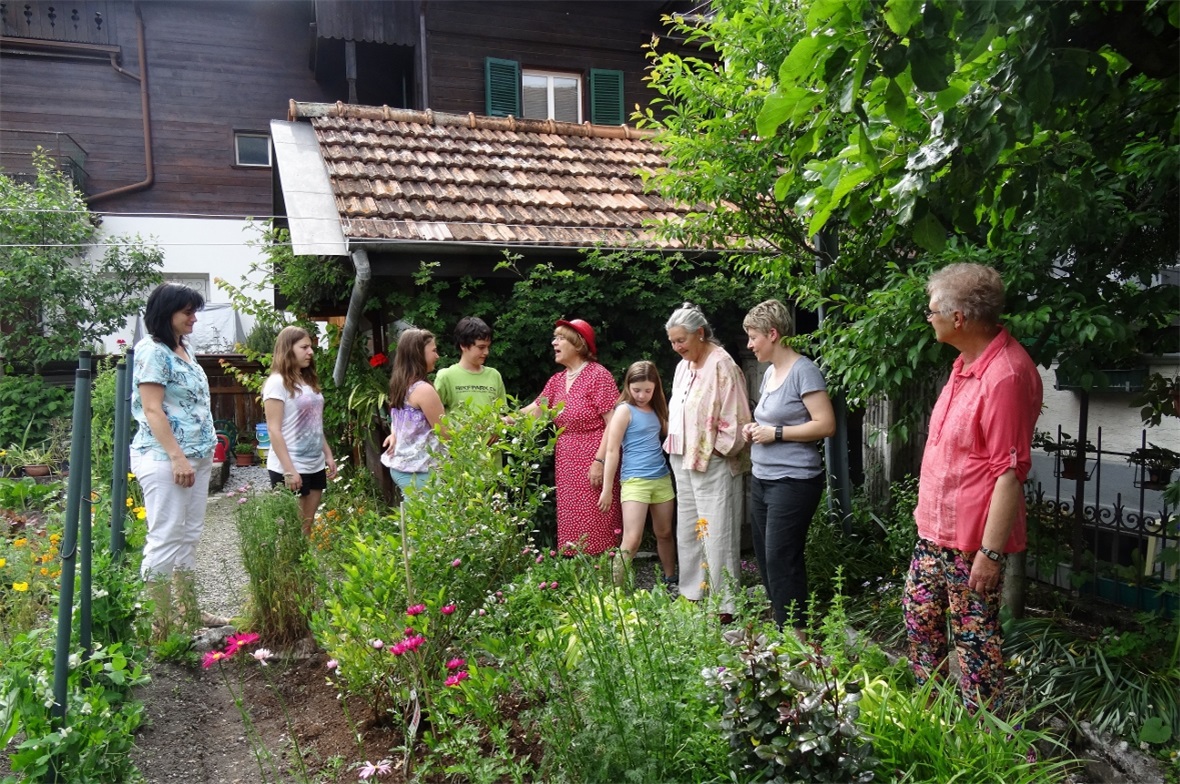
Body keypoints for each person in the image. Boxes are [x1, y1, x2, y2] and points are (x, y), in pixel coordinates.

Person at [903, 263, 1042, 711]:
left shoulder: (1006, 376)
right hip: (935, 530)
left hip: (973, 542)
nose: (929, 319)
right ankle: (932, 715)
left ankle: (981, 739)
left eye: (932, 311)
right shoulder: (965, 364)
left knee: (976, 643)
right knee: (920, 619)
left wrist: (992, 553)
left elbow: (1009, 472)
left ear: (958, 318)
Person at [130, 283, 222, 630]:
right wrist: (177, 457)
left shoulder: (183, 348)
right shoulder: (152, 351)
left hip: (195, 458)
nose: (194, 319)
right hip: (164, 459)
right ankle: (162, 623)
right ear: (166, 314)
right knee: (166, 535)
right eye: (188, 312)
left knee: (189, 534)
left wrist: (202, 450)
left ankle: (189, 610)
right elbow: (153, 410)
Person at [741, 299, 835, 630]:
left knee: (783, 558)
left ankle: (799, 635)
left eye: (753, 336)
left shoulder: (804, 371)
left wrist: (776, 433)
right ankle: (786, 628)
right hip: (763, 478)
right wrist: (754, 429)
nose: (749, 344)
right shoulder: (769, 374)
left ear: (773, 333)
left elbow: (825, 425)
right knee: (767, 560)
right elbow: (769, 420)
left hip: (794, 481)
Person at [663, 303, 752, 618]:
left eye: (681, 341)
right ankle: (693, 593)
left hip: (714, 461)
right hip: (683, 457)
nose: (677, 347)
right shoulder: (683, 366)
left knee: (718, 532)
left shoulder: (722, 364)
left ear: (699, 333)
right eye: (672, 342)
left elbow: (739, 417)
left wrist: (719, 449)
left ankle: (726, 603)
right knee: (688, 529)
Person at [522, 319, 621, 555]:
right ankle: (577, 575)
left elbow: (614, 424)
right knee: (572, 519)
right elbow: (534, 412)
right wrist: (498, 422)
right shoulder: (557, 381)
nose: (554, 342)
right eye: (554, 337)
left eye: (560, 338)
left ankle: (604, 575)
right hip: (567, 461)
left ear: (578, 344)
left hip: (594, 459)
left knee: (598, 517)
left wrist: (600, 462)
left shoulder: (598, 376)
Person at [597, 361, 677, 587]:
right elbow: (612, 451)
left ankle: (670, 579)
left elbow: (670, 431)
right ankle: (613, 591)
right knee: (632, 540)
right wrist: (607, 489)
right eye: (637, 390)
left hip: (661, 478)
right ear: (628, 387)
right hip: (634, 481)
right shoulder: (623, 410)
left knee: (665, 533)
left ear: (655, 388)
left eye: (648, 390)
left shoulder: (656, 409)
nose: (642, 395)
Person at [263, 326, 337, 535]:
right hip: (290, 466)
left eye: (310, 347)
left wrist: (328, 455)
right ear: (288, 349)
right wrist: (289, 470)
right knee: (291, 529)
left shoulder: (307, 381)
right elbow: (273, 429)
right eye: (304, 347)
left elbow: (314, 423)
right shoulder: (277, 383)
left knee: (307, 527)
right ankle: (285, 568)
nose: (310, 352)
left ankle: (302, 566)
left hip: (314, 464)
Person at [382, 329, 444, 491]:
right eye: (434, 351)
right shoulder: (424, 390)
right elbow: (445, 432)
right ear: (418, 354)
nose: (437, 356)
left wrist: (394, 434)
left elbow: (400, 421)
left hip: (401, 467)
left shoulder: (401, 384)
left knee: (411, 515)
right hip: (420, 471)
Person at [435, 316, 506, 410]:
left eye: (488, 347)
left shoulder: (494, 375)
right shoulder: (445, 376)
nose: (486, 352)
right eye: (481, 347)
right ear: (463, 345)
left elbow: (501, 413)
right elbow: (434, 415)